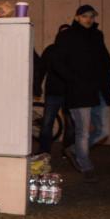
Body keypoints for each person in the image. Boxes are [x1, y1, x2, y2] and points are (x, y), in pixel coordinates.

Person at [58, 5, 110, 181]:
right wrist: (73, 81)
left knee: (103, 131)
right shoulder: (67, 36)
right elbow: (58, 63)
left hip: (99, 90)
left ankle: (75, 150)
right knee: (83, 131)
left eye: (91, 16)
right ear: (76, 17)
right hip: (79, 91)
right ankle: (85, 165)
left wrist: (107, 77)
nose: (88, 19)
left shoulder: (97, 35)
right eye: (84, 16)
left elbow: (105, 59)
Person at [38, 24, 74, 156]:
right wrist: (37, 86)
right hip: (53, 93)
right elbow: (41, 69)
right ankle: (44, 151)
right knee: (47, 123)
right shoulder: (51, 50)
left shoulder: (75, 51)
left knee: (70, 124)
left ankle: (68, 151)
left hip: (70, 93)